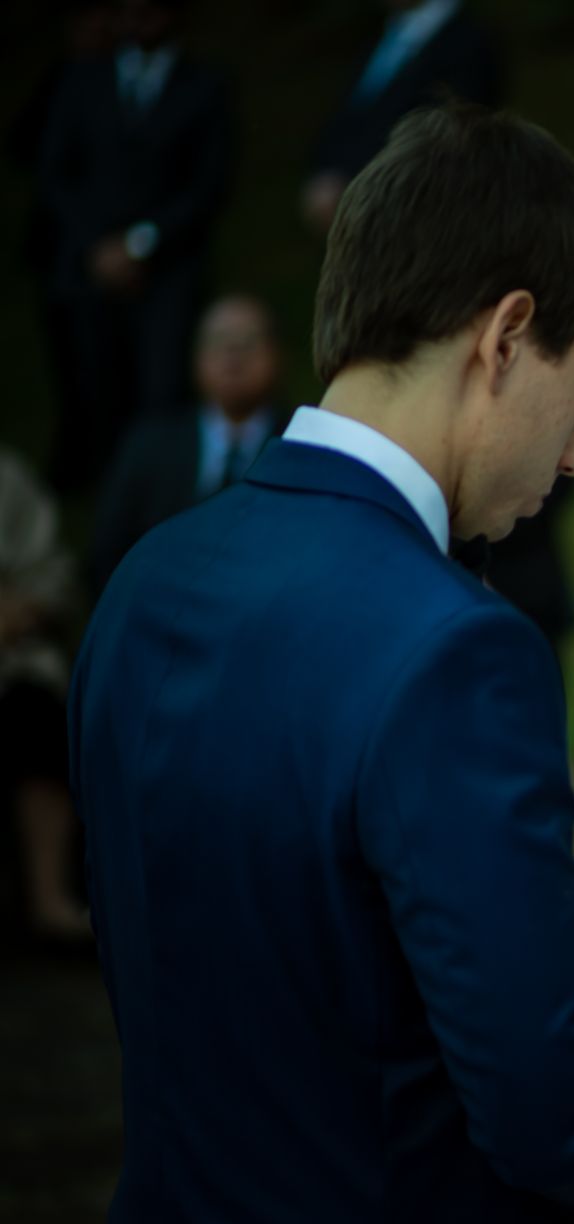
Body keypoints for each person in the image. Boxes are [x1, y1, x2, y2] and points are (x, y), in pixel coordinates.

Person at [69, 105, 574, 1224]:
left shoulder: (150, 580)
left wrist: (552, 1012)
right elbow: (547, 1124)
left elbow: (254, 968)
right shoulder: (455, 649)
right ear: (507, 336)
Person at [36, 0, 233, 490]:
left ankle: (166, 504)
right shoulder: (83, 80)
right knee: (94, 394)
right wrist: (95, 247)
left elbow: (208, 185)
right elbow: (55, 172)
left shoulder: (205, 86)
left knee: (162, 394)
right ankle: (110, 513)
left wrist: (141, 244)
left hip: (168, 273)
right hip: (87, 270)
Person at [90, 293, 286, 590]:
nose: (234, 353)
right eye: (220, 340)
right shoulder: (149, 447)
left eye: (248, 341)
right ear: (197, 358)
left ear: (276, 355)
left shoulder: (300, 448)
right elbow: (105, 555)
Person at [303, 0, 504, 237]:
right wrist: (328, 171)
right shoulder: (384, 38)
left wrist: (354, 183)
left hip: (425, 217)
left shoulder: (468, 41)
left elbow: (444, 132)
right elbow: (353, 113)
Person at [0, 448, 88, 944]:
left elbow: (51, 573)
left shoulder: (7, 476)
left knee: (36, 713)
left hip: (9, 659)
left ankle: (48, 897)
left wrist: (18, 611)